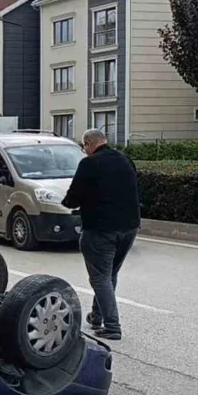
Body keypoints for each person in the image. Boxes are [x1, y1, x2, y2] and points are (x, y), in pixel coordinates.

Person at [61, 129, 140, 340]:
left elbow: (73, 198)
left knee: (100, 277)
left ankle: (113, 327)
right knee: (109, 274)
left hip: (100, 230)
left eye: (83, 146)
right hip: (130, 228)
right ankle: (97, 317)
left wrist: (67, 203)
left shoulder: (89, 164)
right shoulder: (125, 160)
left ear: (88, 144)